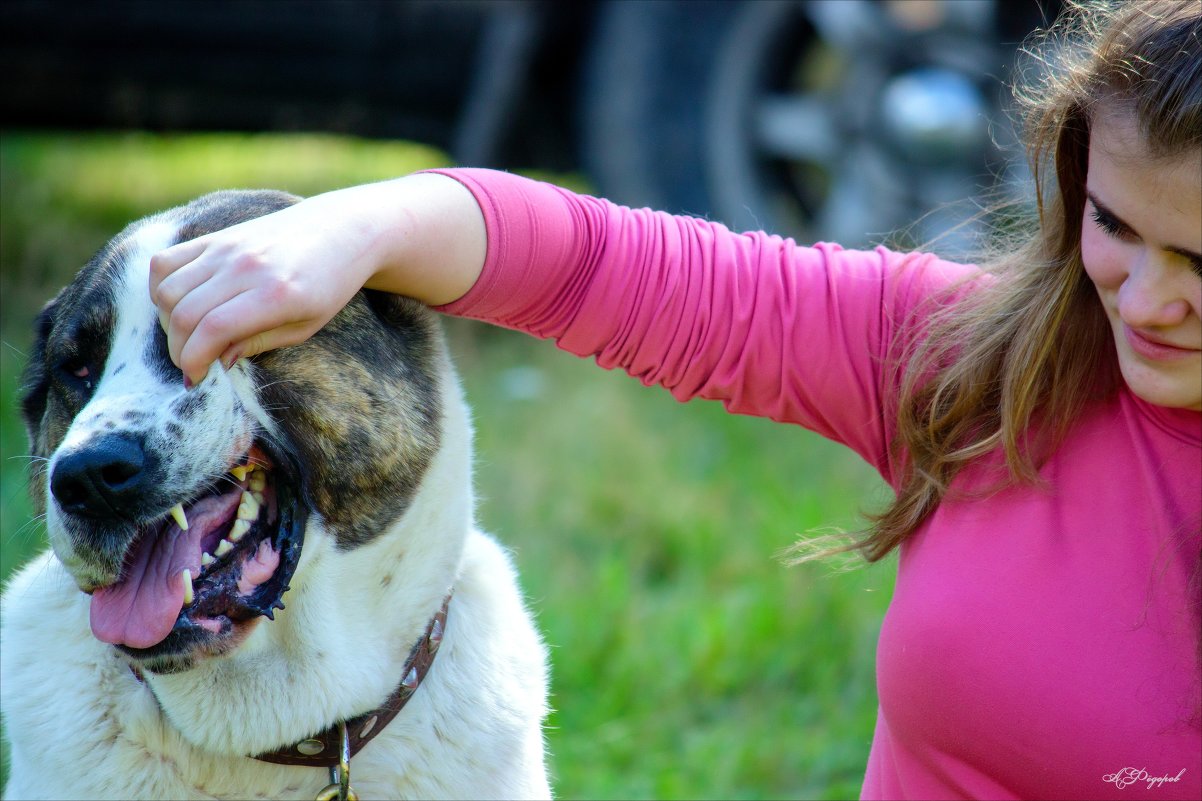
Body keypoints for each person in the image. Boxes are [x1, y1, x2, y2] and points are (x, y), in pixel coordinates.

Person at [148, 1, 1200, 798]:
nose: (1146, 301)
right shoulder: (984, 360)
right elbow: (623, 270)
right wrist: (353, 230)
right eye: (1113, 226)